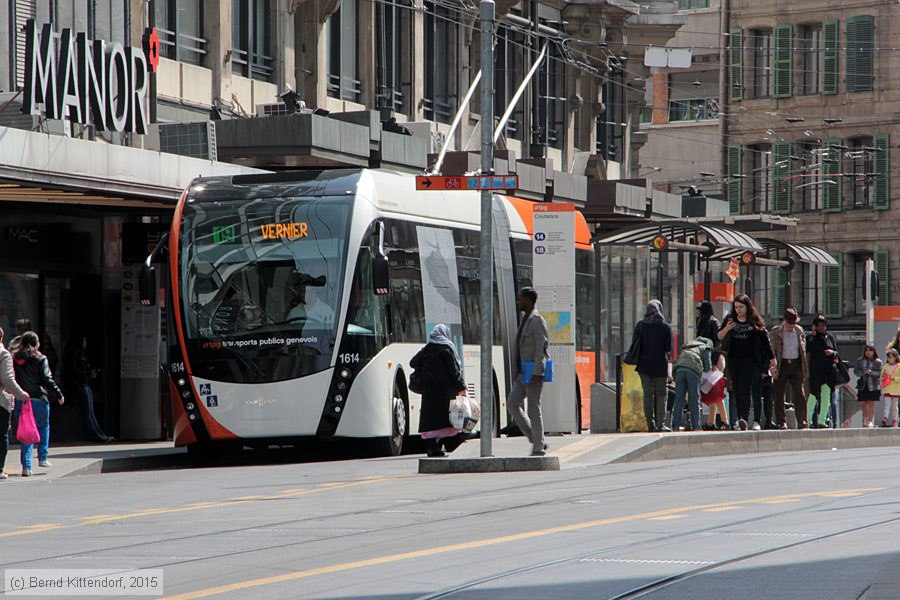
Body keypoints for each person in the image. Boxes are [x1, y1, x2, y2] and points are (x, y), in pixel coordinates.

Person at [718, 294, 774, 431]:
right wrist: (727, 328)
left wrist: (772, 359)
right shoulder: (730, 320)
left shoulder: (754, 321)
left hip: (750, 359)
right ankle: (740, 418)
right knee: (736, 388)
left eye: (741, 307)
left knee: (746, 387)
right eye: (736, 307)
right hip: (733, 358)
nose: (738, 310)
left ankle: (744, 416)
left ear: (747, 307)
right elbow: (719, 336)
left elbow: (765, 342)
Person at [410, 324, 467, 457]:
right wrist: (461, 387)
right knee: (446, 419)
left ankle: (432, 447)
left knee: (431, 420)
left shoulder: (427, 349)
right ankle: (449, 444)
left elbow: (412, 362)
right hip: (445, 392)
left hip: (429, 391)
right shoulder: (447, 349)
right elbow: (454, 371)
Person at [12, 331, 64, 476]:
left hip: (21, 400)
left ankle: (26, 467)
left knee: (25, 432)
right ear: (36, 344)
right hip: (39, 400)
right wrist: (58, 395)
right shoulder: (41, 358)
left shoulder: (15, 358)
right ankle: (43, 457)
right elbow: (48, 379)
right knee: (43, 427)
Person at [507, 287, 550, 456]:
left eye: (520, 299)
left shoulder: (537, 320)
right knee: (512, 404)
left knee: (533, 408)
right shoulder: (525, 319)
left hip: (533, 372)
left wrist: (537, 371)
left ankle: (538, 447)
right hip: (522, 372)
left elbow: (541, 347)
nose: (518, 302)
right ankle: (536, 437)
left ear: (529, 300)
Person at [631, 300, 673, 432]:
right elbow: (668, 348)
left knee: (648, 394)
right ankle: (661, 424)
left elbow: (635, 344)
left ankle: (650, 424)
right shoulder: (665, 327)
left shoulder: (640, 325)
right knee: (661, 394)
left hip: (644, 366)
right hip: (660, 365)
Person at [64, 333, 112, 443]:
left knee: (90, 412)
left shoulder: (78, 354)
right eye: (84, 340)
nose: (85, 343)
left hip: (83, 384)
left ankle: (100, 434)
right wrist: (88, 374)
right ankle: (98, 435)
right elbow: (74, 371)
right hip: (80, 385)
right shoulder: (75, 354)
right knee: (88, 412)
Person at [770, 308, 808, 430]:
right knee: (779, 393)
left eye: (794, 322)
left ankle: (802, 420)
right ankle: (782, 422)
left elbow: (803, 350)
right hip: (782, 364)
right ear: (784, 320)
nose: (791, 325)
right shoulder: (776, 331)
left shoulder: (799, 330)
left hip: (796, 364)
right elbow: (772, 348)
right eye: (789, 322)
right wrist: (773, 365)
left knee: (799, 393)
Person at [0, 327, 30, 480]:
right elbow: (7, 379)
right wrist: (21, 394)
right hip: (0, 401)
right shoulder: (3, 354)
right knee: (2, 434)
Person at [671, 336, 713, 432]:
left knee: (679, 399)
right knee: (694, 399)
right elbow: (708, 367)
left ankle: (675, 426)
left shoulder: (688, 346)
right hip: (693, 371)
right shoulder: (705, 347)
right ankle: (696, 426)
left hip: (679, 370)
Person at [807, 314, 839, 428]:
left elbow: (837, 353)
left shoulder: (830, 337)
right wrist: (813, 334)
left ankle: (822, 420)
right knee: (813, 395)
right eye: (818, 325)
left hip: (828, 372)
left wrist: (832, 353)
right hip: (816, 371)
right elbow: (808, 348)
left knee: (826, 397)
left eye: (823, 325)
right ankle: (808, 420)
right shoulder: (812, 338)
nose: (821, 327)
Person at [854, 345, 883, 428]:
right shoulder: (860, 361)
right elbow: (856, 372)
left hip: (873, 385)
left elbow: (881, 373)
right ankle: (867, 418)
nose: (868, 352)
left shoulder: (878, 362)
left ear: (874, 352)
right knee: (862, 403)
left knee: (871, 403)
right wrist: (863, 372)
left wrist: (871, 372)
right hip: (863, 385)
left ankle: (869, 421)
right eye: (866, 350)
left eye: (870, 350)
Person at [701, 351, 729, 430]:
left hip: (717, 359)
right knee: (713, 395)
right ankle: (711, 423)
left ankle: (725, 421)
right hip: (714, 361)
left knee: (717, 395)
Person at [880, 349, 900, 427]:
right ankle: (885, 418)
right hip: (887, 387)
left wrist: (895, 379)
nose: (889, 359)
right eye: (888, 357)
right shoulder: (885, 366)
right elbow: (881, 377)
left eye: (890, 357)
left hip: (896, 389)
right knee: (887, 404)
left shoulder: (898, 366)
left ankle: (895, 419)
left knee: (895, 405)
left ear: (895, 357)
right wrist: (884, 376)